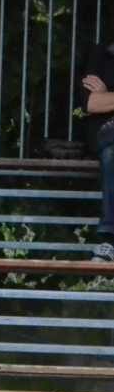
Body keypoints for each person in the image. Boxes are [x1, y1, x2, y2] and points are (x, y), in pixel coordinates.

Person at [81, 40, 114, 260]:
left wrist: (108, 95)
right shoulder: (102, 53)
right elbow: (92, 104)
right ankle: (109, 239)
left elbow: (102, 101)